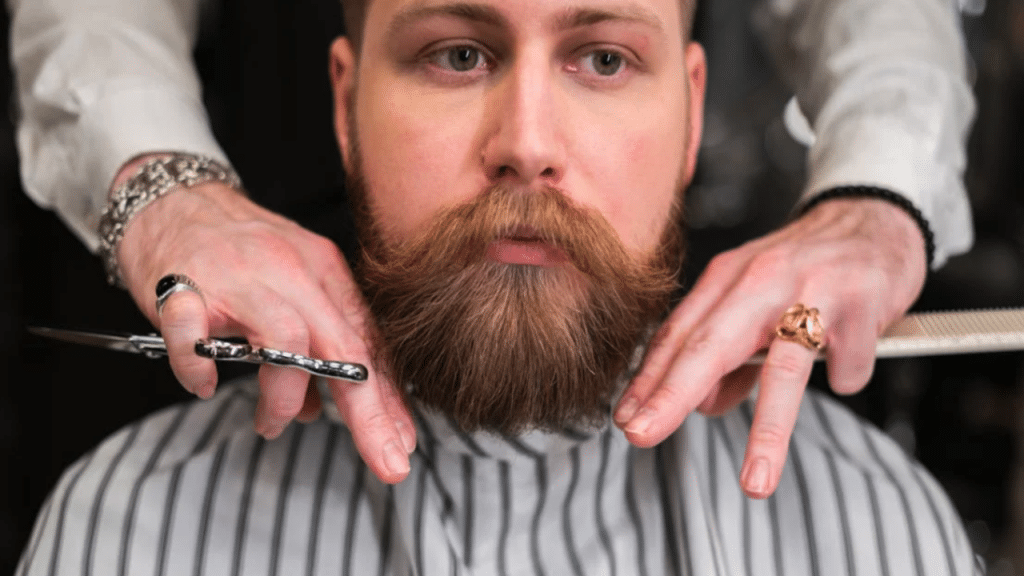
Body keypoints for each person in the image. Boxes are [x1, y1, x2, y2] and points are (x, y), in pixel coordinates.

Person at [15, 0, 982, 573]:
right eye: (457, 54)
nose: (526, 143)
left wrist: (880, 190)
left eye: (604, 58)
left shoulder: (883, 530)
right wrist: (160, 190)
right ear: (346, 108)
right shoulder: (125, 528)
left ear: (691, 119)